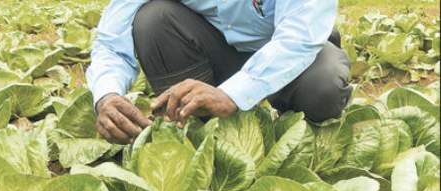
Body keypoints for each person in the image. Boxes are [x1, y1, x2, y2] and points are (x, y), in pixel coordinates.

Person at [88, 0, 352, 144]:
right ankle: (197, 126)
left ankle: (296, 128)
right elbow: (111, 41)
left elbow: (300, 37)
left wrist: (232, 95)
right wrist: (107, 96)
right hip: (217, 51)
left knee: (323, 85)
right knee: (154, 18)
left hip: (288, 58)